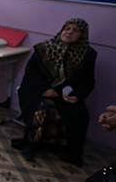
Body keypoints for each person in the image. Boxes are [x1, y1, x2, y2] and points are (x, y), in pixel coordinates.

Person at [12, 18, 96, 166]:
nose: (69, 32)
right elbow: (31, 74)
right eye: (67, 28)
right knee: (40, 109)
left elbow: (88, 81)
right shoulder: (43, 48)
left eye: (75, 30)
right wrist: (45, 89)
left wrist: (77, 95)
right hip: (38, 89)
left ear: (82, 35)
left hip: (66, 94)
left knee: (79, 114)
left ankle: (72, 153)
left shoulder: (87, 55)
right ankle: (31, 144)